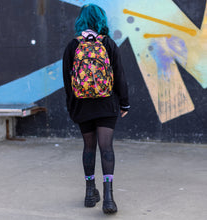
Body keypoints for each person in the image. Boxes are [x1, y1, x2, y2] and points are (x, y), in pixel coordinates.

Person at [63, 4, 130, 214]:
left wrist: (73, 106)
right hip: (106, 104)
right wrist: (124, 103)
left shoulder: (73, 46)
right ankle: (109, 198)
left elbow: (68, 81)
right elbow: (119, 75)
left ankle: (90, 194)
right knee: (106, 148)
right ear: (101, 20)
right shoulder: (108, 44)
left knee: (89, 148)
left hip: (83, 105)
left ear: (81, 21)